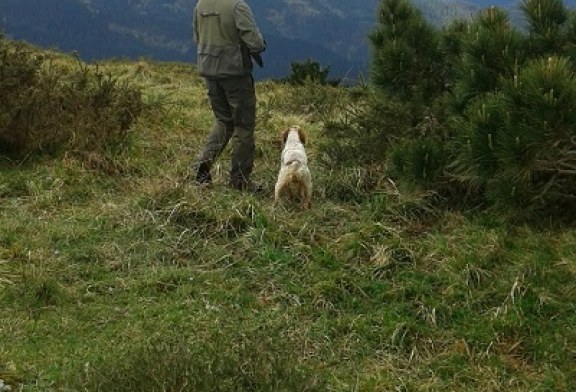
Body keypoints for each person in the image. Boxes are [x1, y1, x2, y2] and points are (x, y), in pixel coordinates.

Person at [192, 0, 266, 192]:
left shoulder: (201, 5)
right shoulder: (237, 6)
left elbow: (197, 37)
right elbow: (255, 43)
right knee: (243, 125)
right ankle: (239, 181)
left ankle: (202, 164)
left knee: (223, 120)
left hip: (209, 70)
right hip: (235, 74)